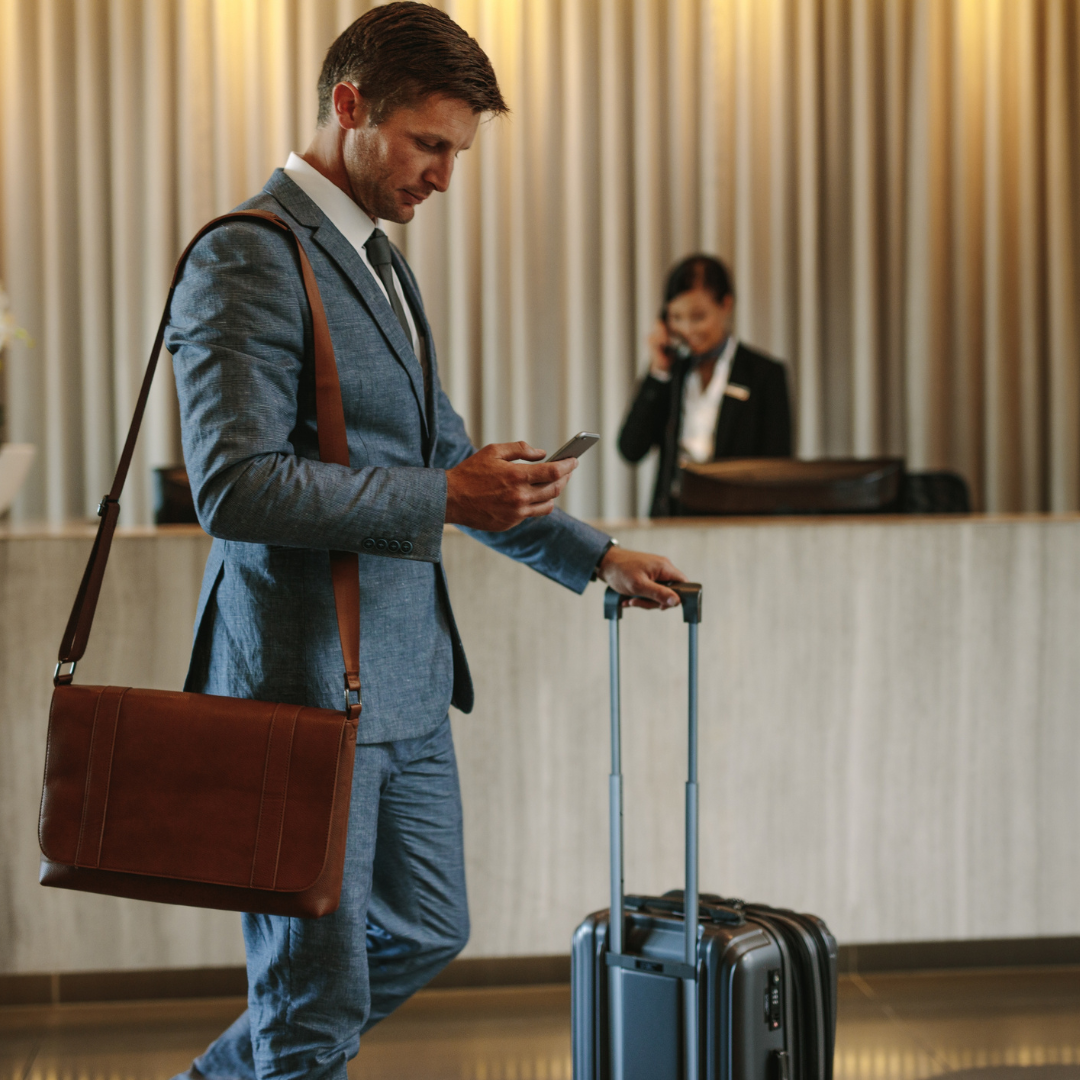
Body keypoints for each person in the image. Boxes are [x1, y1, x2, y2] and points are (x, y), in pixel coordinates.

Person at [165, 5, 685, 1079]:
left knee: (429, 930)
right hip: (303, 688)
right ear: (350, 108)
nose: (446, 176)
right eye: (430, 144)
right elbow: (234, 485)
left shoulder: (381, 262)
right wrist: (444, 494)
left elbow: (440, 455)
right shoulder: (249, 255)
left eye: (459, 151)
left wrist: (594, 555)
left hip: (403, 682)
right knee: (313, 1000)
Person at [618, 255, 792, 516]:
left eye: (698, 317)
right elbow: (631, 449)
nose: (687, 329)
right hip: (673, 518)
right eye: (676, 317)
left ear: (725, 305)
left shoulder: (764, 374)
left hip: (739, 518)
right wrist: (658, 372)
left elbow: (777, 467)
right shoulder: (671, 372)